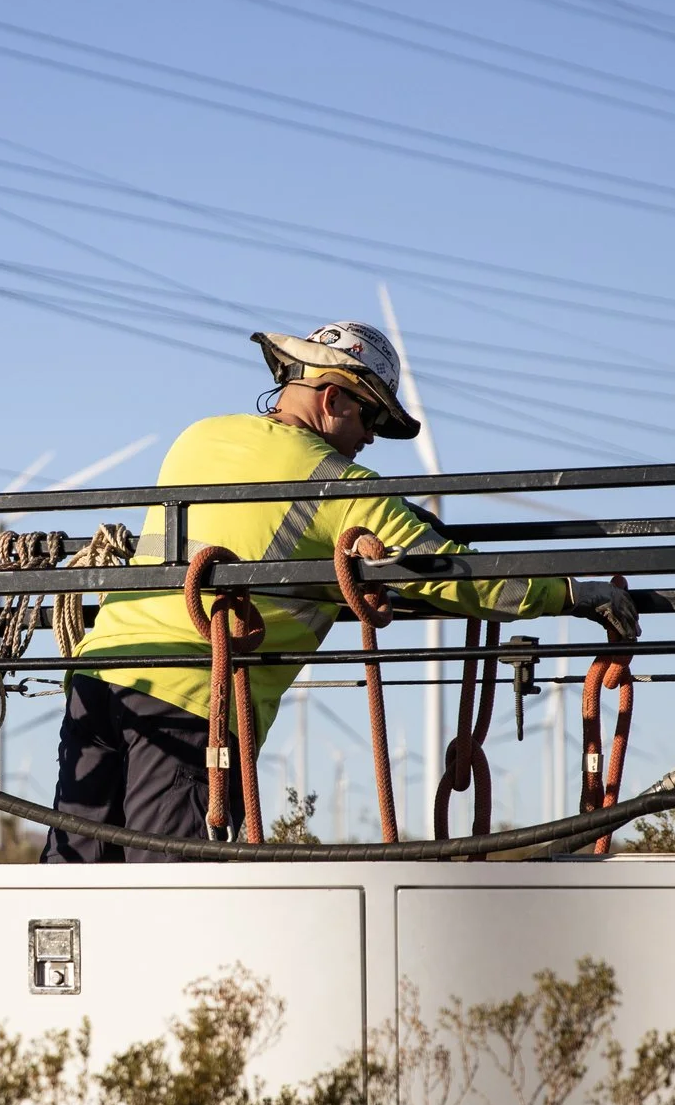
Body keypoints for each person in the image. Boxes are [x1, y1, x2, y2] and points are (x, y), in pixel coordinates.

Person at [42, 320, 641, 861]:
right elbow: (452, 573)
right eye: (371, 417)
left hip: (99, 679)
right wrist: (575, 594)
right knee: (181, 898)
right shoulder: (343, 486)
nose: (373, 439)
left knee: (76, 882)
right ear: (333, 400)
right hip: (195, 701)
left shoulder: (199, 436)